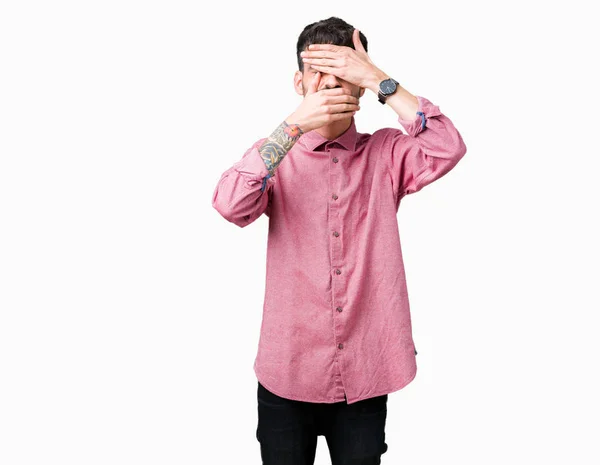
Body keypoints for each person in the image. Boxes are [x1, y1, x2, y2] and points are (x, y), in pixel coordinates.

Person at [212, 16, 467, 465]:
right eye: (319, 74)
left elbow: (446, 147)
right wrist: (290, 127)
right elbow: (231, 205)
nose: (331, 85)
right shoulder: (274, 155)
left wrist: (378, 77)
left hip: (366, 372)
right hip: (288, 372)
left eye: (344, 73)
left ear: (361, 88)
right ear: (299, 82)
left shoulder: (387, 152)